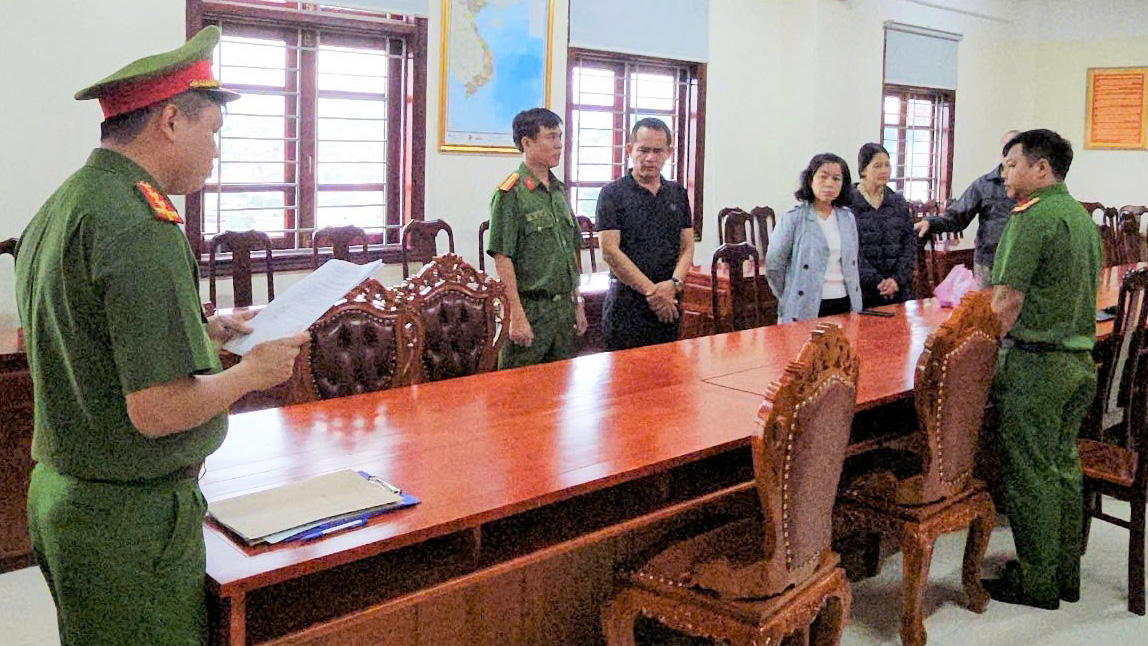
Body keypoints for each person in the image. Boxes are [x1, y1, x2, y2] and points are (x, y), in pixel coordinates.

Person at [14, 26, 310, 646]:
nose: (215, 153)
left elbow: (90, 338)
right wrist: (251, 374)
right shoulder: (140, 224)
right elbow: (155, 409)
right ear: (171, 121)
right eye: (213, 132)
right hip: (126, 520)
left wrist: (203, 331)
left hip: (65, 493)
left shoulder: (68, 204)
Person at [982, 129, 1101, 610]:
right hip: (1077, 364)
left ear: (1041, 168)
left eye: (1012, 164)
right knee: (1063, 468)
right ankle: (1064, 574)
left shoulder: (1031, 218)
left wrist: (979, 350)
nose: (1005, 173)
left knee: (1031, 474)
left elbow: (1006, 301)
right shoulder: (1080, 216)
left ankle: (1036, 583)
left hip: (1037, 367)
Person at [486, 108, 587, 368]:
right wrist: (515, 315)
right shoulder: (511, 193)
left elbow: (569, 251)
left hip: (563, 312)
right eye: (551, 137)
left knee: (562, 387)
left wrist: (577, 301)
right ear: (527, 142)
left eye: (560, 136)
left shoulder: (559, 191)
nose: (559, 144)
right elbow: (502, 258)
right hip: (531, 310)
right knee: (520, 388)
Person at [595, 117, 694, 350]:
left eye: (658, 151)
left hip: (669, 300)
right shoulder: (612, 194)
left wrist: (673, 284)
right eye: (643, 150)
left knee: (669, 368)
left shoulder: (678, 193)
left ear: (668, 153)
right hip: (627, 304)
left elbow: (687, 246)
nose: (650, 158)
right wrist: (653, 292)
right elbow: (610, 251)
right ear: (629, 149)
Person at [914, 130, 1019, 287]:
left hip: (1021, 262)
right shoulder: (983, 185)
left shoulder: (1032, 187)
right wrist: (931, 223)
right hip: (989, 262)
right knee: (984, 303)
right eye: (1006, 149)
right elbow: (957, 217)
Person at [766, 153, 863, 323]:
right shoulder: (793, 218)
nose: (829, 184)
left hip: (845, 302)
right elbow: (774, 265)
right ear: (810, 179)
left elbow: (852, 262)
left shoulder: (848, 218)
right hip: (805, 304)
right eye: (823, 177)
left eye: (836, 179)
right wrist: (791, 293)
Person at [848, 143, 915, 307]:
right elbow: (850, 251)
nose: (884, 170)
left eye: (887, 165)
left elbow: (909, 244)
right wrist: (877, 281)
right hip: (861, 290)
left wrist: (896, 279)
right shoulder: (848, 203)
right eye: (877, 166)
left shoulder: (898, 202)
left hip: (897, 289)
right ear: (863, 170)